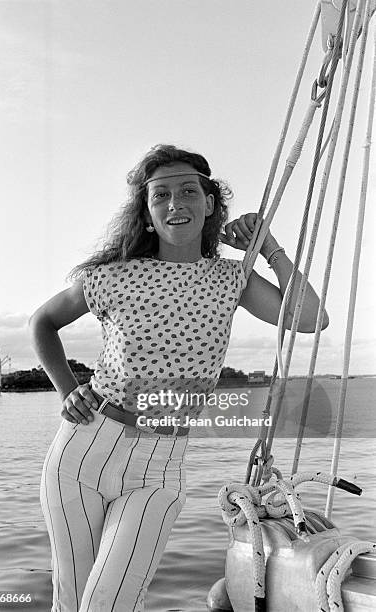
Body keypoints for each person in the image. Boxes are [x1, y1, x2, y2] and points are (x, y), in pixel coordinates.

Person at [29, 144, 328, 612]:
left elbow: (311, 318)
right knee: (70, 600)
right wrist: (67, 391)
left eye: (189, 190)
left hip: (160, 465)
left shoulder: (232, 278)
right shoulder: (112, 275)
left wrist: (266, 246)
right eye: (161, 195)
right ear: (147, 214)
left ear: (210, 204)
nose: (176, 203)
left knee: (108, 604)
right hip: (83, 449)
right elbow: (42, 322)